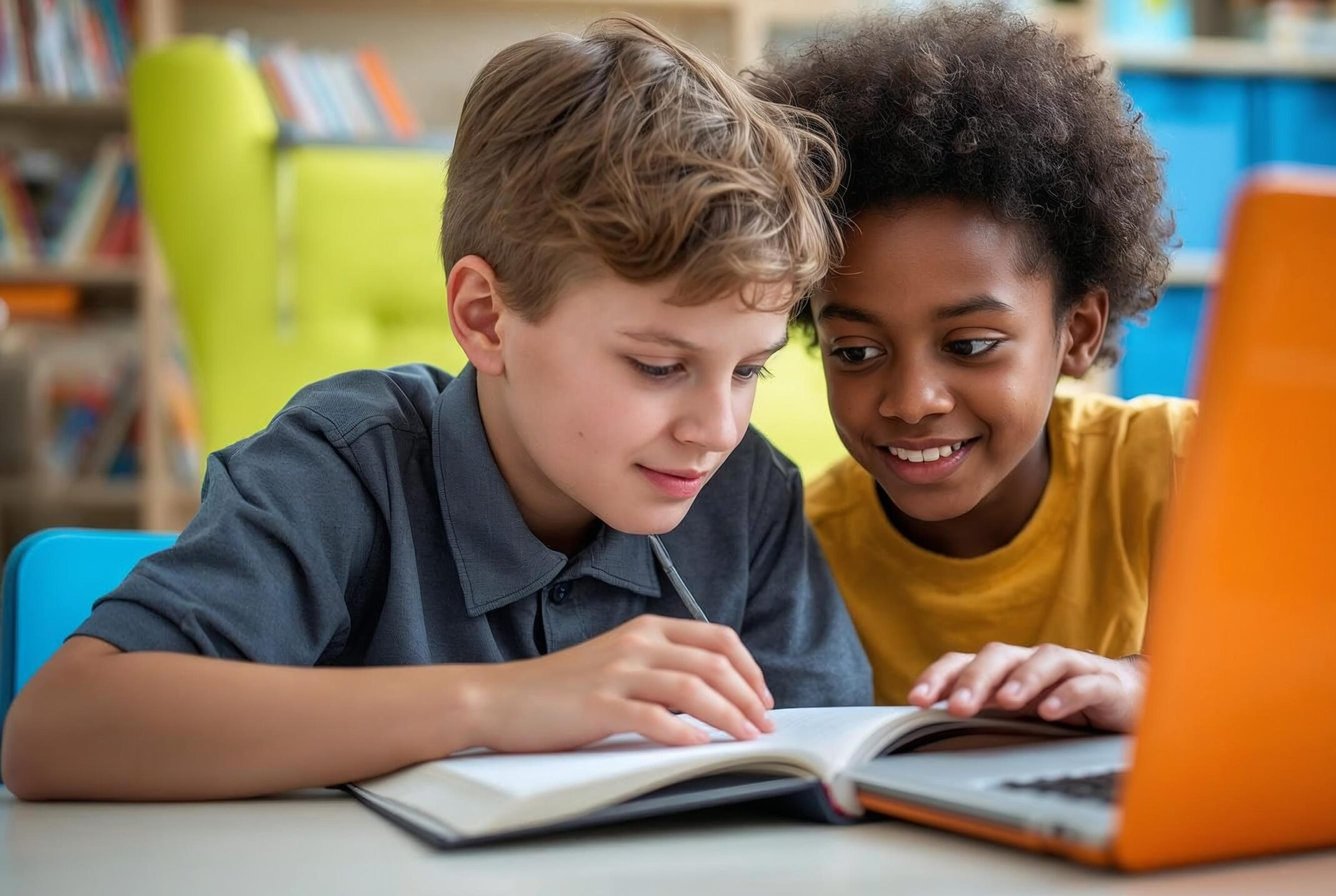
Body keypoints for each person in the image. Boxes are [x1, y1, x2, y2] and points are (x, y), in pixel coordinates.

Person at [2, 16, 870, 801]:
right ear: (486, 318)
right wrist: (499, 703)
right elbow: (58, 732)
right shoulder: (343, 466)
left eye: (749, 370)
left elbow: (821, 772)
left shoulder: (747, 495)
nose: (717, 429)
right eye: (658, 366)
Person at [757, 3, 1193, 732]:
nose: (912, 401)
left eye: (969, 345)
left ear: (1078, 331)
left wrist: (1148, 685)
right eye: (857, 353)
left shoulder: (1184, 467)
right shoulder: (800, 556)